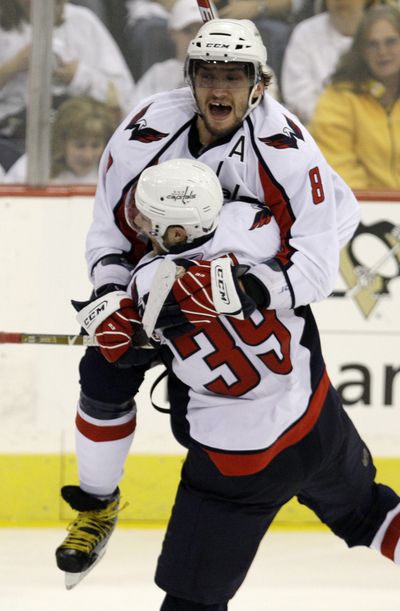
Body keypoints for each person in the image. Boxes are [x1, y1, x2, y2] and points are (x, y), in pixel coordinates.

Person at [54, 17, 385, 606]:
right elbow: (108, 233)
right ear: (190, 77)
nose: (219, 87)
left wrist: (241, 291)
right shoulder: (148, 129)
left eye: (235, 76)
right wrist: (111, 300)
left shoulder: (284, 154)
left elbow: (313, 268)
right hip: (248, 354)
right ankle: (96, 504)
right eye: (208, 74)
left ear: (259, 85)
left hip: (236, 331)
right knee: (105, 370)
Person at [0, 0, 135, 169]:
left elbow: (123, 96)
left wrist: (77, 76)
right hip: (12, 138)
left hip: (80, 138)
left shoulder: (83, 22)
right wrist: (11, 67)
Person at [310, 4, 400, 190]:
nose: (382, 52)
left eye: (391, 42)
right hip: (364, 209)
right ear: (361, 50)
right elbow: (339, 170)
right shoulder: (338, 97)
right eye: (372, 44)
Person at [132, 0, 280, 104]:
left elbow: (264, 121)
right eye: (187, 30)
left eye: (203, 30)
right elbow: (134, 122)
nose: (196, 38)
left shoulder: (253, 70)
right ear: (172, 34)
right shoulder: (157, 75)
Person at [281, 0, 374, 124]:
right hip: (318, 127)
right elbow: (298, 96)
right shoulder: (305, 32)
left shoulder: (380, 33)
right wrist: (336, 120)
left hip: (373, 126)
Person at [3, 96, 116, 184]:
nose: (88, 156)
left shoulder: (114, 174)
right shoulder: (33, 167)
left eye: (95, 145)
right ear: (61, 142)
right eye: (80, 146)